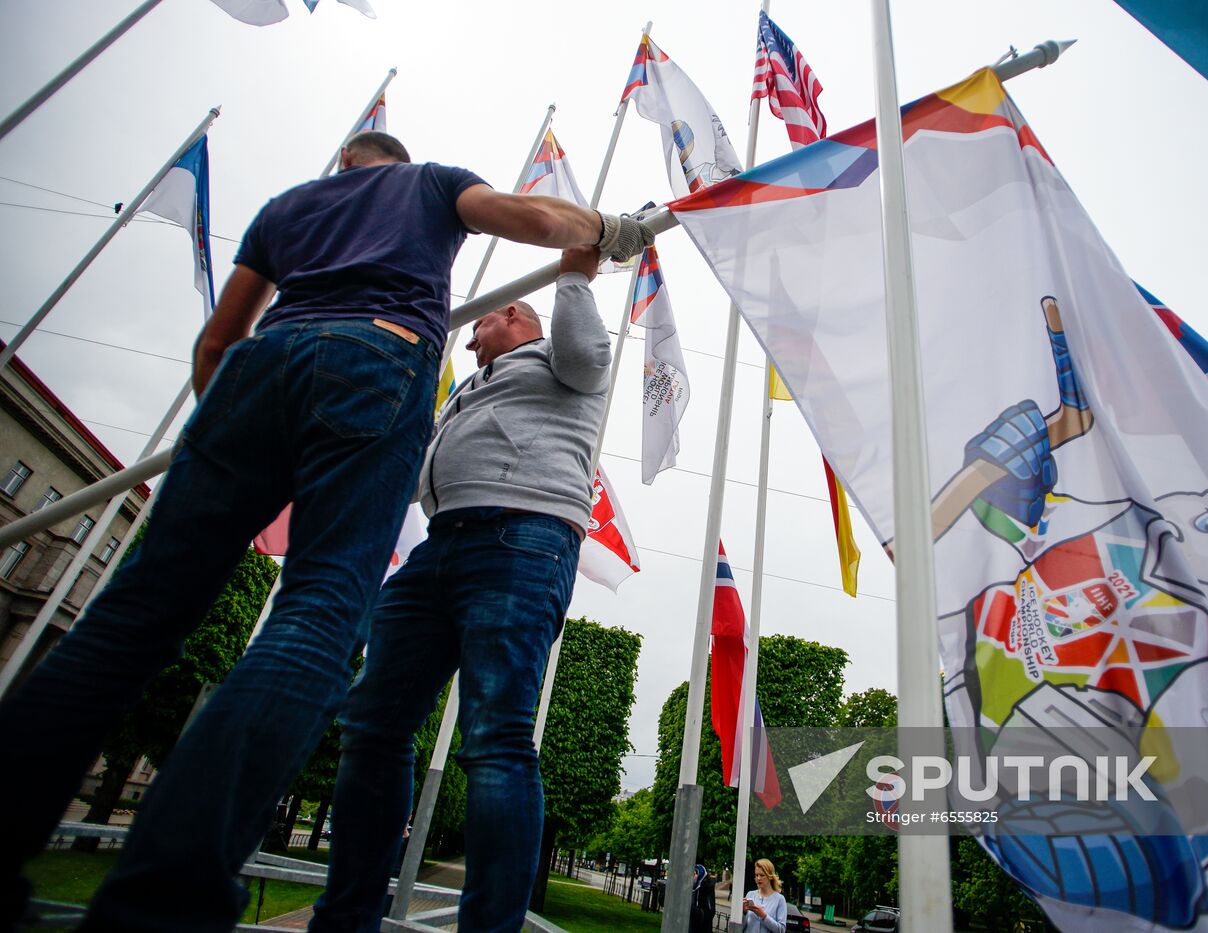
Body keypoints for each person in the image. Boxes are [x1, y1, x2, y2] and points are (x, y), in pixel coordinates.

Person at [0, 130, 652, 932]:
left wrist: (583, 266)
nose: (487, 319)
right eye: (491, 316)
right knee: (364, 704)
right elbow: (517, 223)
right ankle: (329, 914)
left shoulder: (297, 211)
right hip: (428, 508)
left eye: (505, 313)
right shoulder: (435, 236)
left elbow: (217, 342)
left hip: (511, 538)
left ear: (345, 163)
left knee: (494, 734)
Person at [306, 245, 612, 933]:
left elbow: (591, 353)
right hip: (440, 542)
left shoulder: (561, 359)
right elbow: (417, 473)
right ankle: (346, 916)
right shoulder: (467, 390)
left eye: (480, 325)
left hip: (522, 536)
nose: (468, 335)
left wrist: (570, 276)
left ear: (513, 313)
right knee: (372, 723)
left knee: (496, 733)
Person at [742, 859, 788, 933]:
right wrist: (743, 913)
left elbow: (781, 930)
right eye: (756, 875)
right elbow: (741, 927)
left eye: (762, 875)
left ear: (770, 876)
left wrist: (763, 916)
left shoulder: (780, 899)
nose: (758, 878)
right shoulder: (750, 894)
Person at [690, 864, 716, 933]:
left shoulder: (707, 887)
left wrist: (690, 909)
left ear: (700, 875)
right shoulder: (689, 887)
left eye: (694, 874)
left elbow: (709, 913)